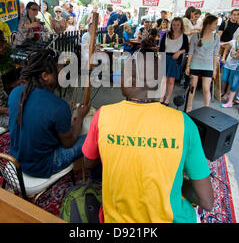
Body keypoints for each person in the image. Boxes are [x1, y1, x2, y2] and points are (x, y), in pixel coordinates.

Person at [82, 48, 214, 222]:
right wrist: (172, 184)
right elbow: (207, 201)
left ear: (126, 81)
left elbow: (88, 162)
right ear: (160, 84)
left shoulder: (102, 115)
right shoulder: (184, 123)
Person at [8, 49, 90, 178]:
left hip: (16, 160)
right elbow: (69, 143)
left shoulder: (15, 93)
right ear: (45, 75)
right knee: (95, 135)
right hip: (42, 166)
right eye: (59, 71)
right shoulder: (58, 106)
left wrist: (62, 112)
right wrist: (80, 116)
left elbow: (38, 116)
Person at [185, 15, 221, 112]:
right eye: (215, 24)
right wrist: (188, 66)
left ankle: (206, 110)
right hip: (195, 63)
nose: (216, 26)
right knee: (192, 86)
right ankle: (188, 108)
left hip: (208, 66)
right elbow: (191, 51)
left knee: (206, 89)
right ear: (209, 24)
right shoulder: (196, 35)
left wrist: (215, 69)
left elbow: (215, 54)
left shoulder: (216, 37)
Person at [159, 17, 189, 106]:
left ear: (181, 25)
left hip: (175, 60)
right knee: (163, 80)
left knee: (171, 81)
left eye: (178, 25)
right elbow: (161, 48)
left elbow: (186, 49)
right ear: (171, 25)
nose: (175, 27)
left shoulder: (184, 36)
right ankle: (161, 97)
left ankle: (167, 98)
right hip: (165, 58)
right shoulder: (166, 34)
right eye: (174, 25)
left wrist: (179, 52)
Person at [220, 29, 239, 102]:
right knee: (224, 78)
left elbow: (238, 56)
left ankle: (227, 93)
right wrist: (223, 57)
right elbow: (226, 49)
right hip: (228, 63)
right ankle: (222, 91)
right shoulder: (233, 42)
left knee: (231, 80)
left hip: (235, 66)